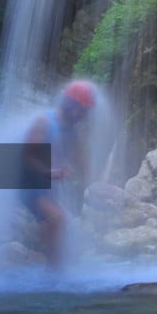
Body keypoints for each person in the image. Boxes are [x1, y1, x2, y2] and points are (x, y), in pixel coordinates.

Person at [20, 80, 96, 269]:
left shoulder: (72, 130)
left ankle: (58, 268)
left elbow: (81, 162)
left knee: (69, 226)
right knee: (57, 219)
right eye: (83, 110)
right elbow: (26, 156)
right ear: (72, 105)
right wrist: (48, 172)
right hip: (28, 183)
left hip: (47, 186)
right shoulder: (44, 122)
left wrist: (94, 185)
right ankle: (53, 278)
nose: (84, 116)